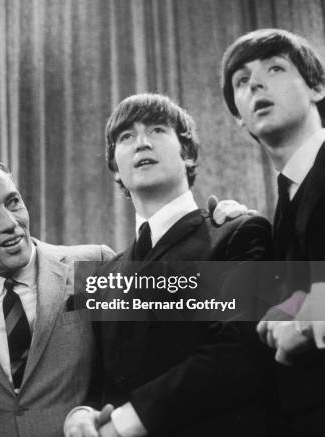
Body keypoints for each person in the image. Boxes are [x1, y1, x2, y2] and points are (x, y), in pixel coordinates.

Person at [65, 94, 274, 437]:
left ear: (188, 153)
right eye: (126, 137)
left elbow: (243, 354)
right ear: (115, 166)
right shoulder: (102, 276)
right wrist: (82, 412)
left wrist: (125, 423)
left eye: (157, 130)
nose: (141, 142)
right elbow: (99, 382)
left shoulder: (241, 232)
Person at [0, 159, 114, 437]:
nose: (10, 222)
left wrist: (206, 233)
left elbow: (185, 319)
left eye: (13, 202)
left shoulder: (94, 265)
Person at [221, 28, 325, 435]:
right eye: (242, 82)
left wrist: (308, 318)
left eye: (275, 69)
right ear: (237, 117)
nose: (256, 84)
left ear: (316, 86)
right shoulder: (284, 204)